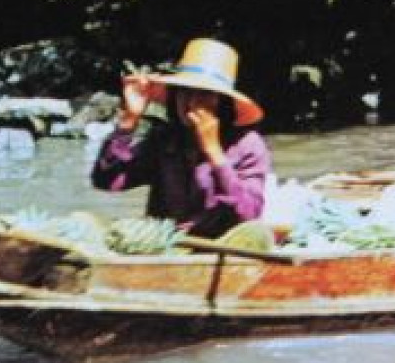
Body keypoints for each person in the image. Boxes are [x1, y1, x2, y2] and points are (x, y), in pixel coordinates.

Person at [90, 38, 272, 239]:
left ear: (223, 103)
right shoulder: (164, 140)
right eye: (184, 92)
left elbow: (249, 215)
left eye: (204, 94)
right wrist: (128, 121)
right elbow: (107, 181)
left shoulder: (248, 145)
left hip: (220, 246)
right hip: (166, 243)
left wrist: (214, 154)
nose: (191, 102)